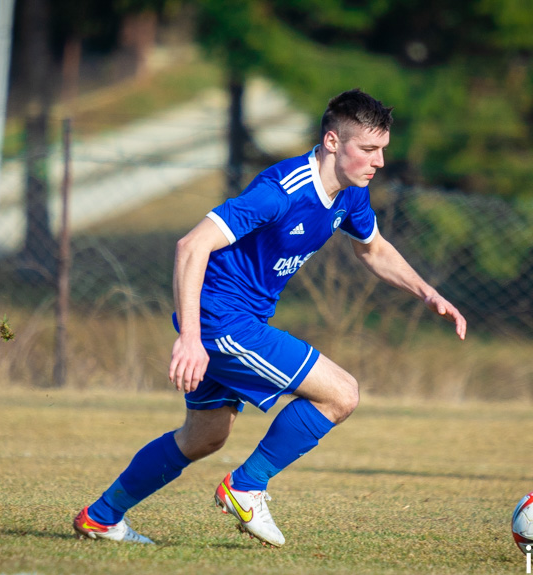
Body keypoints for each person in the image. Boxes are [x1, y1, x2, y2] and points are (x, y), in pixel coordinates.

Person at [73, 88, 466, 547]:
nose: (378, 161)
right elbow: (191, 245)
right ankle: (246, 486)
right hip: (222, 321)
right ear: (333, 142)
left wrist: (427, 293)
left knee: (204, 437)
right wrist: (192, 338)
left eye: (383, 150)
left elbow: (373, 249)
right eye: (369, 149)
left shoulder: (351, 195)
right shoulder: (279, 192)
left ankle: (101, 517)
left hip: (238, 321)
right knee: (341, 394)